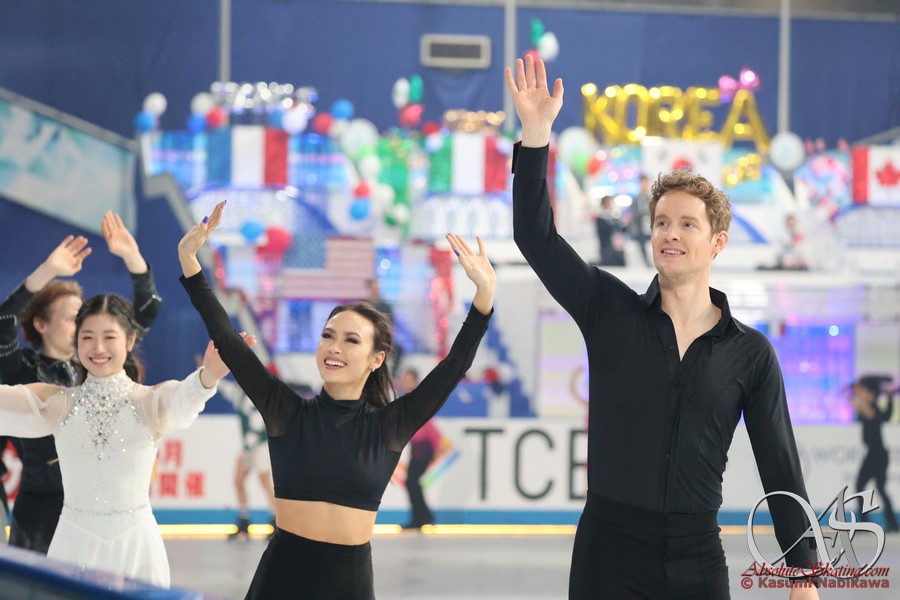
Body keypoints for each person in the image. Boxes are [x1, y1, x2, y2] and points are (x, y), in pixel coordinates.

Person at [506, 55, 820, 600]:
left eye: (687, 224)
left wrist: (804, 572)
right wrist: (535, 137)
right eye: (661, 223)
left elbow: (780, 464)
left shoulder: (750, 354)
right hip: (607, 555)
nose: (670, 234)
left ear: (717, 242)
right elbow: (536, 238)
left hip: (697, 560)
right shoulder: (608, 310)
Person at [178, 201, 494, 599]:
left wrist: (484, 296)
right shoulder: (287, 412)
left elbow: (453, 367)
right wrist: (190, 262)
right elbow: (228, 340)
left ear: (377, 359)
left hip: (349, 584)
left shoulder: (390, 426)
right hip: (280, 578)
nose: (334, 347)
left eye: (351, 340)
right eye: (328, 335)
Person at [0, 293, 235, 586]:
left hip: (136, 547)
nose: (98, 348)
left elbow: (183, 398)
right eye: (87, 337)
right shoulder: (59, 403)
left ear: (130, 339)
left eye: (109, 337)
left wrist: (209, 376)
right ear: (76, 341)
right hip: (73, 545)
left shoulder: (148, 402)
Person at [0, 212, 162, 554]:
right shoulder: (23, 369)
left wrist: (132, 256)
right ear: (41, 324)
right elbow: (3, 320)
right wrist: (48, 271)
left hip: (99, 510)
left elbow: (147, 309)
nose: (84, 329)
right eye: (73, 319)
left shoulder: (98, 368)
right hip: (41, 511)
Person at [217, 375, 276, 541]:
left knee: (264, 480)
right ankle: (244, 521)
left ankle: (277, 521)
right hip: (250, 447)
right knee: (239, 481)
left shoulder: (254, 397)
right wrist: (207, 373)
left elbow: (257, 426)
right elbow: (227, 389)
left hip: (261, 445)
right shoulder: (241, 393)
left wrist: (246, 449)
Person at [850, 375, 899, 532]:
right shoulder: (867, 406)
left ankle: (893, 524)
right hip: (872, 454)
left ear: (871, 394)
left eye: (865, 391)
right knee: (860, 486)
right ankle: (865, 523)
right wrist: (857, 390)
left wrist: (860, 391)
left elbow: (868, 410)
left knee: (880, 488)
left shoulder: (873, 408)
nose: (861, 394)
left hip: (878, 454)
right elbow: (852, 402)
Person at [398, 368, 439, 529]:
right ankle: (423, 516)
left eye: (409, 380)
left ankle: (421, 517)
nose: (405, 383)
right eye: (404, 380)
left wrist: (434, 446)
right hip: (417, 447)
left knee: (412, 482)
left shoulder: (418, 398)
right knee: (412, 483)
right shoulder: (408, 399)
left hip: (424, 447)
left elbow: (427, 425)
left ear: (415, 381)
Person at [628, 174, 653, 267]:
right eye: (643, 183)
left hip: (651, 225)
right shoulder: (636, 199)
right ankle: (646, 263)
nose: (644, 185)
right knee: (641, 244)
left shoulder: (651, 198)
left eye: (646, 182)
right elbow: (633, 214)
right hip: (640, 227)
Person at [594, 195, 626, 267]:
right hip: (605, 238)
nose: (610, 203)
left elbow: (619, 224)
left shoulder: (613, 213)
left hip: (613, 238)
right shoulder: (600, 214)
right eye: (608, 202)